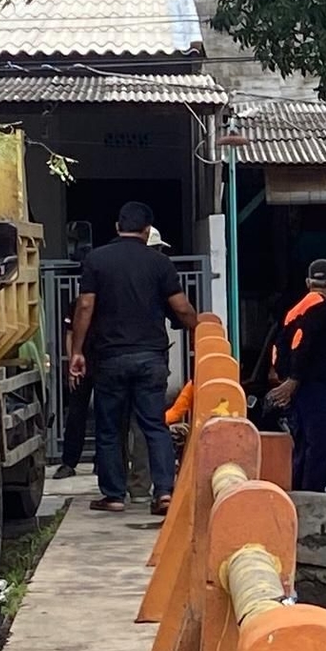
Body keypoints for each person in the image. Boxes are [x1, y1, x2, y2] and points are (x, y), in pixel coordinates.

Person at [63, 201, 196, 514]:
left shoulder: (97, 260)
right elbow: (181, 308)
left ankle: (113, 495)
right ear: (147, 230)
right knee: (154, 426)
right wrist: (198, 331)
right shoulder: (160, 263)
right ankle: (163, 493)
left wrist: (78, 351)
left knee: (110, 428)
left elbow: (85, 306)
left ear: (117, 226)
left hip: (110, 358)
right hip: (151, 358)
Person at [265, 259, 326, 491]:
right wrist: (294, 380)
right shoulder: (321, 308)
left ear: (309, 282)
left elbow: (281, 346)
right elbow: (303, 345)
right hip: (317, 385)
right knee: (323, 440)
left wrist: (287, 376)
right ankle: (312, 493)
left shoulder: (296, 309)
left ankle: (299, 489)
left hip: (305, 385)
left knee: (305, 441)